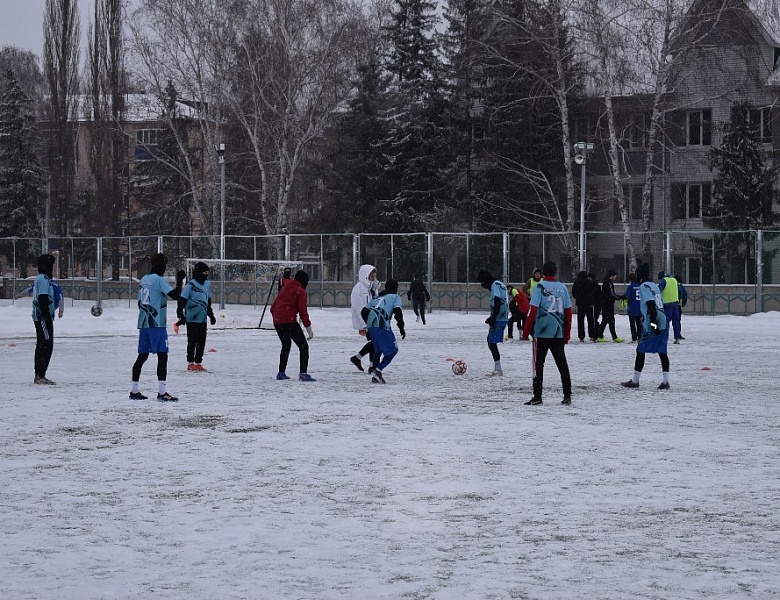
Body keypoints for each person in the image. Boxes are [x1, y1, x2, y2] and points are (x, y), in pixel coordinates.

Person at [130, 253, 186, 402]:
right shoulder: (159, 280)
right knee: (163, 356)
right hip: (156, 324)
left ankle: (134, 390)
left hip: (144, 323)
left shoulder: (144, 279)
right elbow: (175, 295)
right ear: (161, 266)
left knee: (142, 356)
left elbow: (139, 302)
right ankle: (162, 392)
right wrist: (180, 280)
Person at [521, 260, 573, 405]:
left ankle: (537, 396)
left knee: (539, 365)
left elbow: (533, 311)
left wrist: (526, 332)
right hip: (558, 333)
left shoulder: (540, 287)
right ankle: (567, 396)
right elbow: (568, 312)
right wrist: (566, 334)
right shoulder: (562, 288)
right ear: (556, 272)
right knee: (562, 364)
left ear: (543, 273)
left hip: (542, 332)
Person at [622, 263, 670, 389]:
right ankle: (665, 381)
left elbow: (650, 305)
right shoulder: (654, 285)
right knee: (662, 352)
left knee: (640, 350)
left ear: (640, 275)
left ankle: (635, 380)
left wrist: (653, 324)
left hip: (653, 321)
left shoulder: (644, 286)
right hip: (664, 320)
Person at [271, 270, 316, 381]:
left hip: (277, 321)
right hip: (289, 321)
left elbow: (273, 308)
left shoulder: (284, 289)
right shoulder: (300, 291)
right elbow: (303, 311)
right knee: (303, 346)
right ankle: (303, 374)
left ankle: (281, 372)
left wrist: (278, 317)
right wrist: (308, 328)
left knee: (286, 345)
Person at [361, 279, 406, 384]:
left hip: (372, 327)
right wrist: (401, 327)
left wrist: (369, 324)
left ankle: (374, 369)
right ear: (396, 288)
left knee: (378, 350)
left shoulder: (377, 298)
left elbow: (364, 312)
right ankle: (378, 370)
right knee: (393, 350)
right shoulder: (396, 297)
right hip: (382, 326)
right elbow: (397, 311)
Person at [176, 261, 216, 372]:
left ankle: (198, 362)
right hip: (191, 318)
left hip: (202, 319)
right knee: (192, 341)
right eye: (204, 272)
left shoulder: (207, 284)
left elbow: (208, 301)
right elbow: (182, 300)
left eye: (208, 272)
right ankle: (190, 362)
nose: (206, 274)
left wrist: (211, 315)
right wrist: (180, 313)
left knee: (201, 341)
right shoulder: (191, 285)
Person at [477, 269, 509, 376]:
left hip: (499, 318)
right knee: (491, 342)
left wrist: (493, 318)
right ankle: (497, 368)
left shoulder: (495, 285)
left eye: (483, 283)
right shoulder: (500, 284)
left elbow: (497, 301)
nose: (484, 286)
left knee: (491, 343)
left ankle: (498, 369)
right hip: (501, 317)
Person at [32, 254, 57, 385]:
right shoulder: (42, 279)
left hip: (45, 317)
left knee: (46, 345)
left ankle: (41, 374)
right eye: (51, 265)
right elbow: (42, 299)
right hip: (42, 317)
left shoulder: (45, 279)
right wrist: (46, 316)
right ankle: (39, 375)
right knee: (45, 345)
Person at [349, 264, 380, 372]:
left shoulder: (371, 288)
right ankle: (368, 363)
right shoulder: (358, 289)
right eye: (371, 274)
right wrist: (364, 325)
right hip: (366, 321)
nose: (373, 276)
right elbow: (358, 308)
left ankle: (360, 359)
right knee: (375, 342)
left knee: (374, 342)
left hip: (372, 320)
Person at [596, 269, 625, 343]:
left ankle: (602, 335)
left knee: (606, 320)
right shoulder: (608, 283)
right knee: (610, 320)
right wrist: (620, 297)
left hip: (606, 303)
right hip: (608, 304)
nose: (616, 277)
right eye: (615, 275)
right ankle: (611, 337)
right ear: (612, 276)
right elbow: (611, 294)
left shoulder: (606, 282)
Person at [571, 270, 597, 343]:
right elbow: (593, 291)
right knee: (590, 320)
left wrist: (579, 297)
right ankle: (592, 336)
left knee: (580, 321)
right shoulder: (589, 282)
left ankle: (581, 337)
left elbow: (574, 293)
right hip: (588, 303)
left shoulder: (577, 282)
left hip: (580, 304)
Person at [658, 271, 683, 344]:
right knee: (676, 322)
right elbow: (680, 291)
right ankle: (677, 337)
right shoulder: (674, 280)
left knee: (665, 322)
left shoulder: (664, 281)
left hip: (667, 305)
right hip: (676, 304)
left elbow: (659, 290)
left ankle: (664, 338)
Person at [625, 272, 642, 342]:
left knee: (632, 324)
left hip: (632, 308)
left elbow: (627, 295)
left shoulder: (631, 287)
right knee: (639, 324)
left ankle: (634, 337)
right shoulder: (640, 286)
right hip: (639, 308)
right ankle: (640, 336)